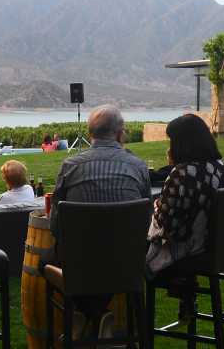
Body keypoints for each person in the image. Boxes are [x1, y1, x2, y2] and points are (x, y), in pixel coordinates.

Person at [48, 105, 151, 331]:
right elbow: (146, 221)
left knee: (44, 261)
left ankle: (86, 313)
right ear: (120, 132)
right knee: (107, 260)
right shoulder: (138, 166)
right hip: (127, 264)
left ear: (89, 133)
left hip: (80, 263)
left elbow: (56, 227)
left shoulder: (70, 166)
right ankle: (97, 314)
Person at [147, 114, 224, 323]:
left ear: (181, 144)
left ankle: (126, 327)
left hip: (194, 253)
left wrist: (157, 206)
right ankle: (185, 289)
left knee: (136, 255)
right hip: (223, 249)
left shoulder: (182, 173)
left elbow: (169, 226)